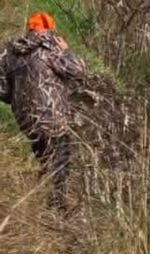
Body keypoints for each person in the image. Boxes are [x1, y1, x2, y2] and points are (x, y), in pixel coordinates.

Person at [0, 12, 87, 209]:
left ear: (30, 29)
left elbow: (2, 91)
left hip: (26, 121)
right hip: (52, 118)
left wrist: (19, 98)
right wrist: (65, 51)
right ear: (50, 29)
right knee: (62, 158)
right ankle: (57, 204)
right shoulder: (52, 47)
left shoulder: (10, 53)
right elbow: (78, 71)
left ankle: (43, 199)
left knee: (44, 156)